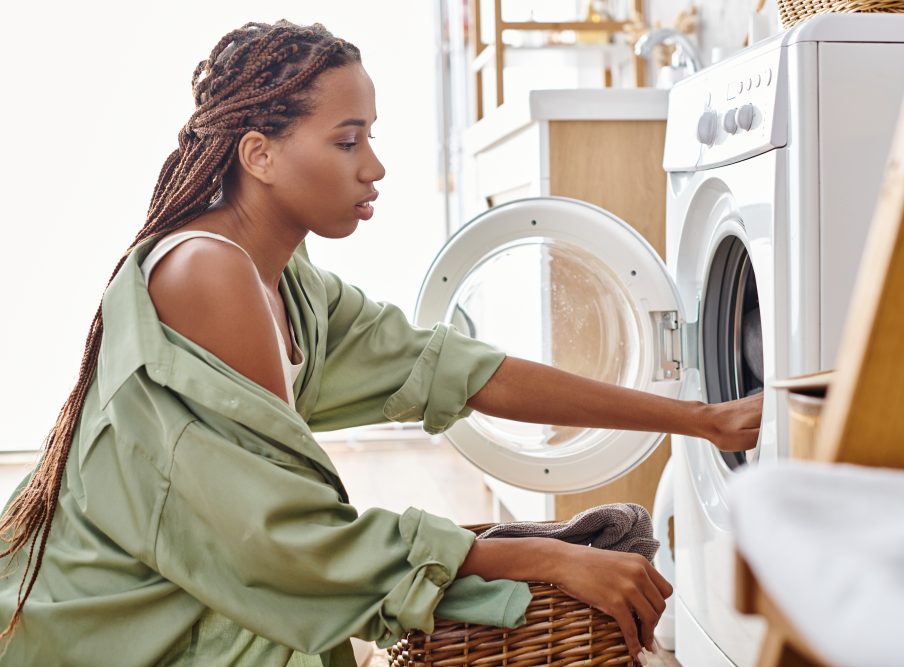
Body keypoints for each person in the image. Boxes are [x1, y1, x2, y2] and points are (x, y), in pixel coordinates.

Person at [0, 20, 762, 666]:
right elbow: (289, 543)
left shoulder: (287, 278)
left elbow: (461, 372)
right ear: (259, 154)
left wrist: (701, 420)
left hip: (184, 595)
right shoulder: (206, 273)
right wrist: (551, 554)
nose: (375, 166)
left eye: (371, 136)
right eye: (347, 140)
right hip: (102, 628)